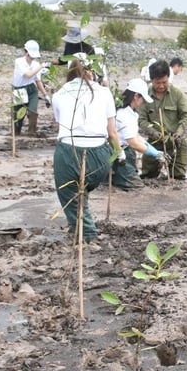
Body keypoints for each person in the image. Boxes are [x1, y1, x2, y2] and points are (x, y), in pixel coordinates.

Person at [50, 58, 120, 242]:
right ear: (92, 71)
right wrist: (118, 155)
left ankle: (87, 233)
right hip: (100, 155)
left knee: (70, 193)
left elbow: (61, 125)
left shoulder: (59, 94)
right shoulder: (105, 92)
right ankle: (78, 226)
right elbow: (112, 132)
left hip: (69, 151)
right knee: (83, 190)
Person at [141, 59, 187, 180]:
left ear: (169, 78)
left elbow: (186, 116)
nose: (161, 86)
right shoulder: (144, 95)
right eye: (157, 83)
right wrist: (152, 131)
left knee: (178, 177)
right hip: (154, 142)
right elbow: (141, 119)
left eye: (164, 82)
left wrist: (179, 133)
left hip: (175, 142)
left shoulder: (177, 94)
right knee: (148, 176)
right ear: (151, 79)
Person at [112, 78, 166, 191]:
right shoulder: (123, 114)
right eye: (143, 99)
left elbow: (136, 136)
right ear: (136, 96)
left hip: (126, 151)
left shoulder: (131, 112)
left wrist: (156, 151)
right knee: (136, 187)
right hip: (118, 154)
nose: (143, 103)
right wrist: (154, 154)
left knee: (132, 178)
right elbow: (134, 143)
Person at [11, 39, 48, 137]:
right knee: (18, 115)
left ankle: (32, 133)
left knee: (33, 111)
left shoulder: (35, 64)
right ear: (25, 52)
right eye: (30, 55)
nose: (31, 58)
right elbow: (28, 75)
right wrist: (41, 66)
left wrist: (45, 95)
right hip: (19, 90)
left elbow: (38, 81)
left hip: (31, 90)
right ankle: (16, 133)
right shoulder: (18, 62)